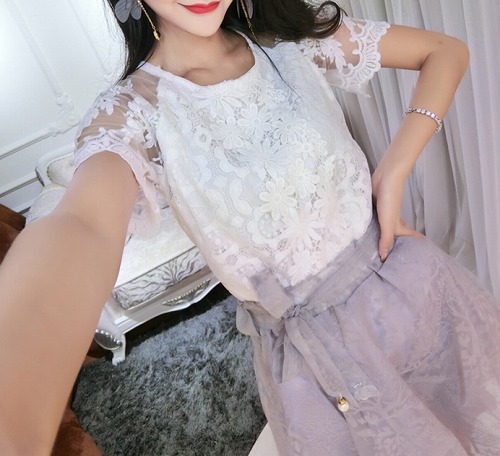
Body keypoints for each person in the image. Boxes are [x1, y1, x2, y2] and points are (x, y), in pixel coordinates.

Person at [1, 0, 499, 454]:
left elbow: (445, 51)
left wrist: (393, 170)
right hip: (319, 368)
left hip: (417, 298)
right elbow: (82, 224)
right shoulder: (131, 117)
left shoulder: (291, 40)